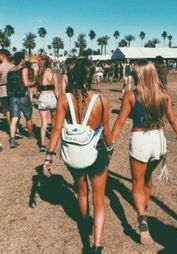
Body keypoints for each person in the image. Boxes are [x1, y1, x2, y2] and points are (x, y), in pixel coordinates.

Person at [112, 59, 177, 245]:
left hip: (140, 140)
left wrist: (110, 143)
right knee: (147, 177)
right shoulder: (164, 95)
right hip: (159, 142)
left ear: (140, 74)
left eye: (135, 70)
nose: (132, 71)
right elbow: (173, 120)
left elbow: (120, 123)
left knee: (137, 183)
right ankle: (144, 207)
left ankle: (142, 221)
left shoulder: (131, 96)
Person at [43, 58, 113, 254]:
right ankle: (97, 245)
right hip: (96, 154)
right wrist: (111, 147)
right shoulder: (101, 100)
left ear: (71, 76)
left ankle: (85, 226)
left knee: (82, 193)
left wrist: (48, 156)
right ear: (91, 76)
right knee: (99, 199)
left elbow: (56, 129)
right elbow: (106, 132)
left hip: (73, 154)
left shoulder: (64, 99)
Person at [7, 52, 36, 148]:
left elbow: (8, 85)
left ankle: (12, 139)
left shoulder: (10, 71)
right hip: (22, 96)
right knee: (28, 116)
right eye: (24, 58)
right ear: (22, 59)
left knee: (14, 118)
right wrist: (35, 82)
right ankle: (30, 133)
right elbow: (26, 83)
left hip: (12, 97)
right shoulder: (24, 69)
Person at [37, 56, 59, 152]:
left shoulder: (38, 75)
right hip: (52, 98)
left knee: (44, 123)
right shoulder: (52, 75)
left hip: (42, 97)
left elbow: (37, 90)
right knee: (54, 122)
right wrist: (59, 101)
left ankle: (42, 143)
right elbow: (56, 91)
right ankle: (52, 139)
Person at [0, 49, 14, 129]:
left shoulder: (0, 67)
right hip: (13, 91)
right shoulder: (13, 66)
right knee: (14, 109)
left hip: (3, 91)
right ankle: (16, 126)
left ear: (3, 55)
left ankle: (11, 128)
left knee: (7, 111)